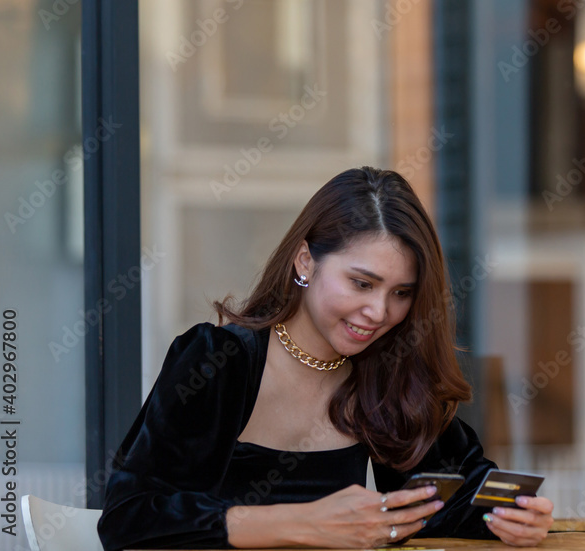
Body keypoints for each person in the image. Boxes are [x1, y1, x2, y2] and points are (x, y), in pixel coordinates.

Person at [98, 167, 554, 549]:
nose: (379, 312)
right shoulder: (218, 361)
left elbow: (445, 495)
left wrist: (513, 512)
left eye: (401, 293)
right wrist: (301, 523)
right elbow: (128, 517)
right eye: (361, 283)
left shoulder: (385, 370)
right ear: (305, 262)